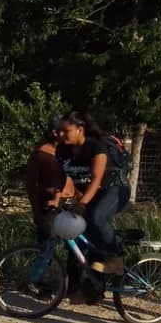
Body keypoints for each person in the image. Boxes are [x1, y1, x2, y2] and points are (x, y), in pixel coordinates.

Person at [56, 111, 131, 302]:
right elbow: (63, 180)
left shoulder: (95, 147)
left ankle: (116, 257)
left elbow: (96, 179)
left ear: (80, 129)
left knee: (96, 217)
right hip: (91, 193)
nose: (61, 135)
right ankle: (93, 288)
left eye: (66, 131)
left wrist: (81, 203)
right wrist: (59, 199)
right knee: (79, 237)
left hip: (115, 188)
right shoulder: (62, 151)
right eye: (59, 131)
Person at [25, 118, 74, 245]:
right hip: (50, 205)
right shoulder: (40, 154)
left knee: (76, 249)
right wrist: (36, 210)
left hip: (70, 204)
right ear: (55, 132)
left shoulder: (69, 152)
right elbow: (31, 184)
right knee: (47, 245)